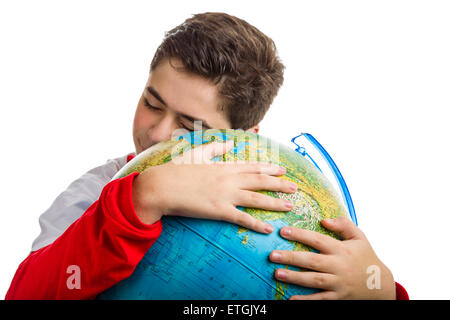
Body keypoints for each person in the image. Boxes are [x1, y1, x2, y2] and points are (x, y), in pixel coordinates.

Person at [5, 12, 408, 300]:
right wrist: (139, 200)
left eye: (190, 126)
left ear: (244, 140)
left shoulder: (291, 199)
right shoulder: (97, 191)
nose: (158, 133)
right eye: (152, 102)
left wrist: (380, 289)